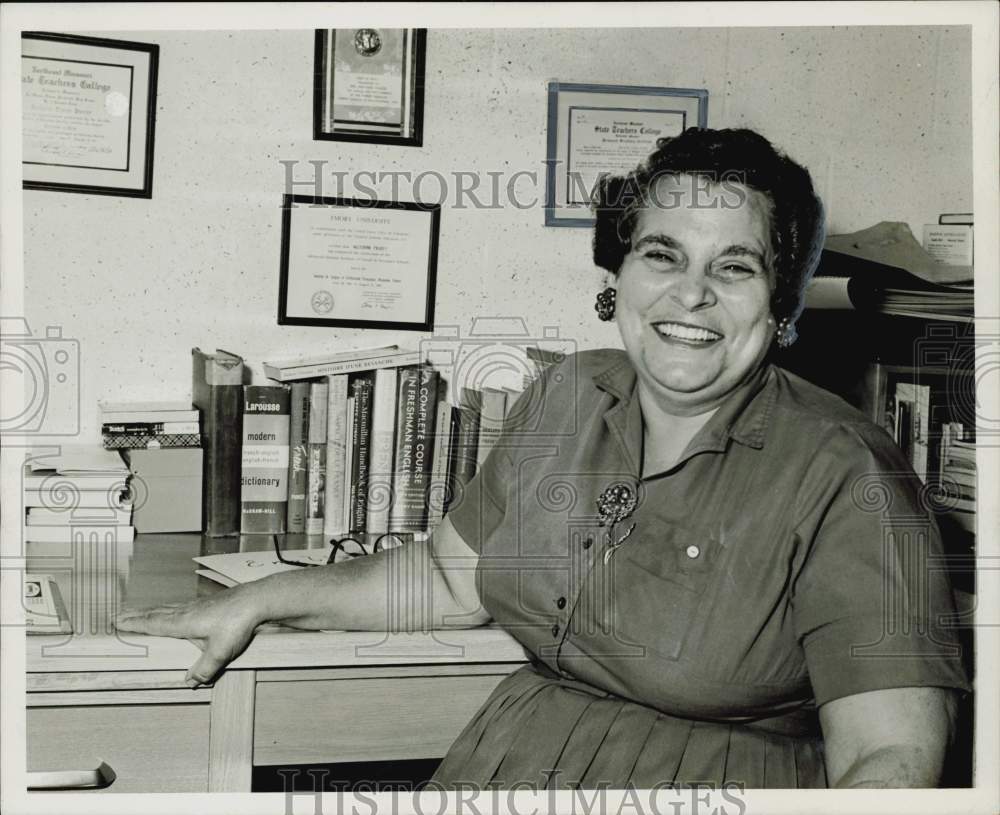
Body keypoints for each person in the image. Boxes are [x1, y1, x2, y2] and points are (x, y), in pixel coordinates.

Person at [117, 128, 969, 789]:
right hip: (506, 761)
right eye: (661, 254)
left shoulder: (849, 472)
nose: (691, 293)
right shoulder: (567, 394)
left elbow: (891, 760)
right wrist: (263, 599)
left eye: (734, 267)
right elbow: (449, 581)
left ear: (780, 304)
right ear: (620, 274)